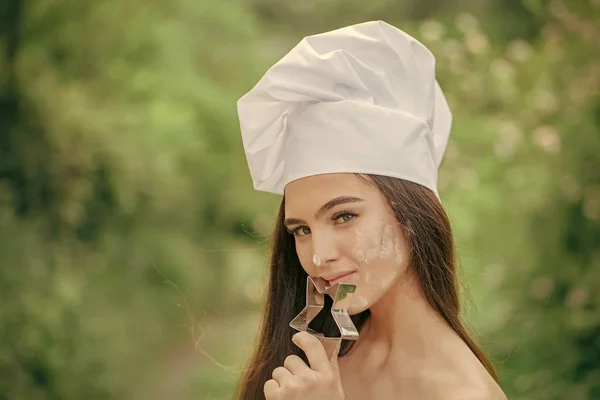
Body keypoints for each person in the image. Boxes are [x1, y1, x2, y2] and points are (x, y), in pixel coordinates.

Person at [234, 20, 507, 400]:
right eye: (300, 230)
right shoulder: (321, 352)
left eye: (343, 216)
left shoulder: (462, 393)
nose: (318, 255)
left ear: (413, 216)